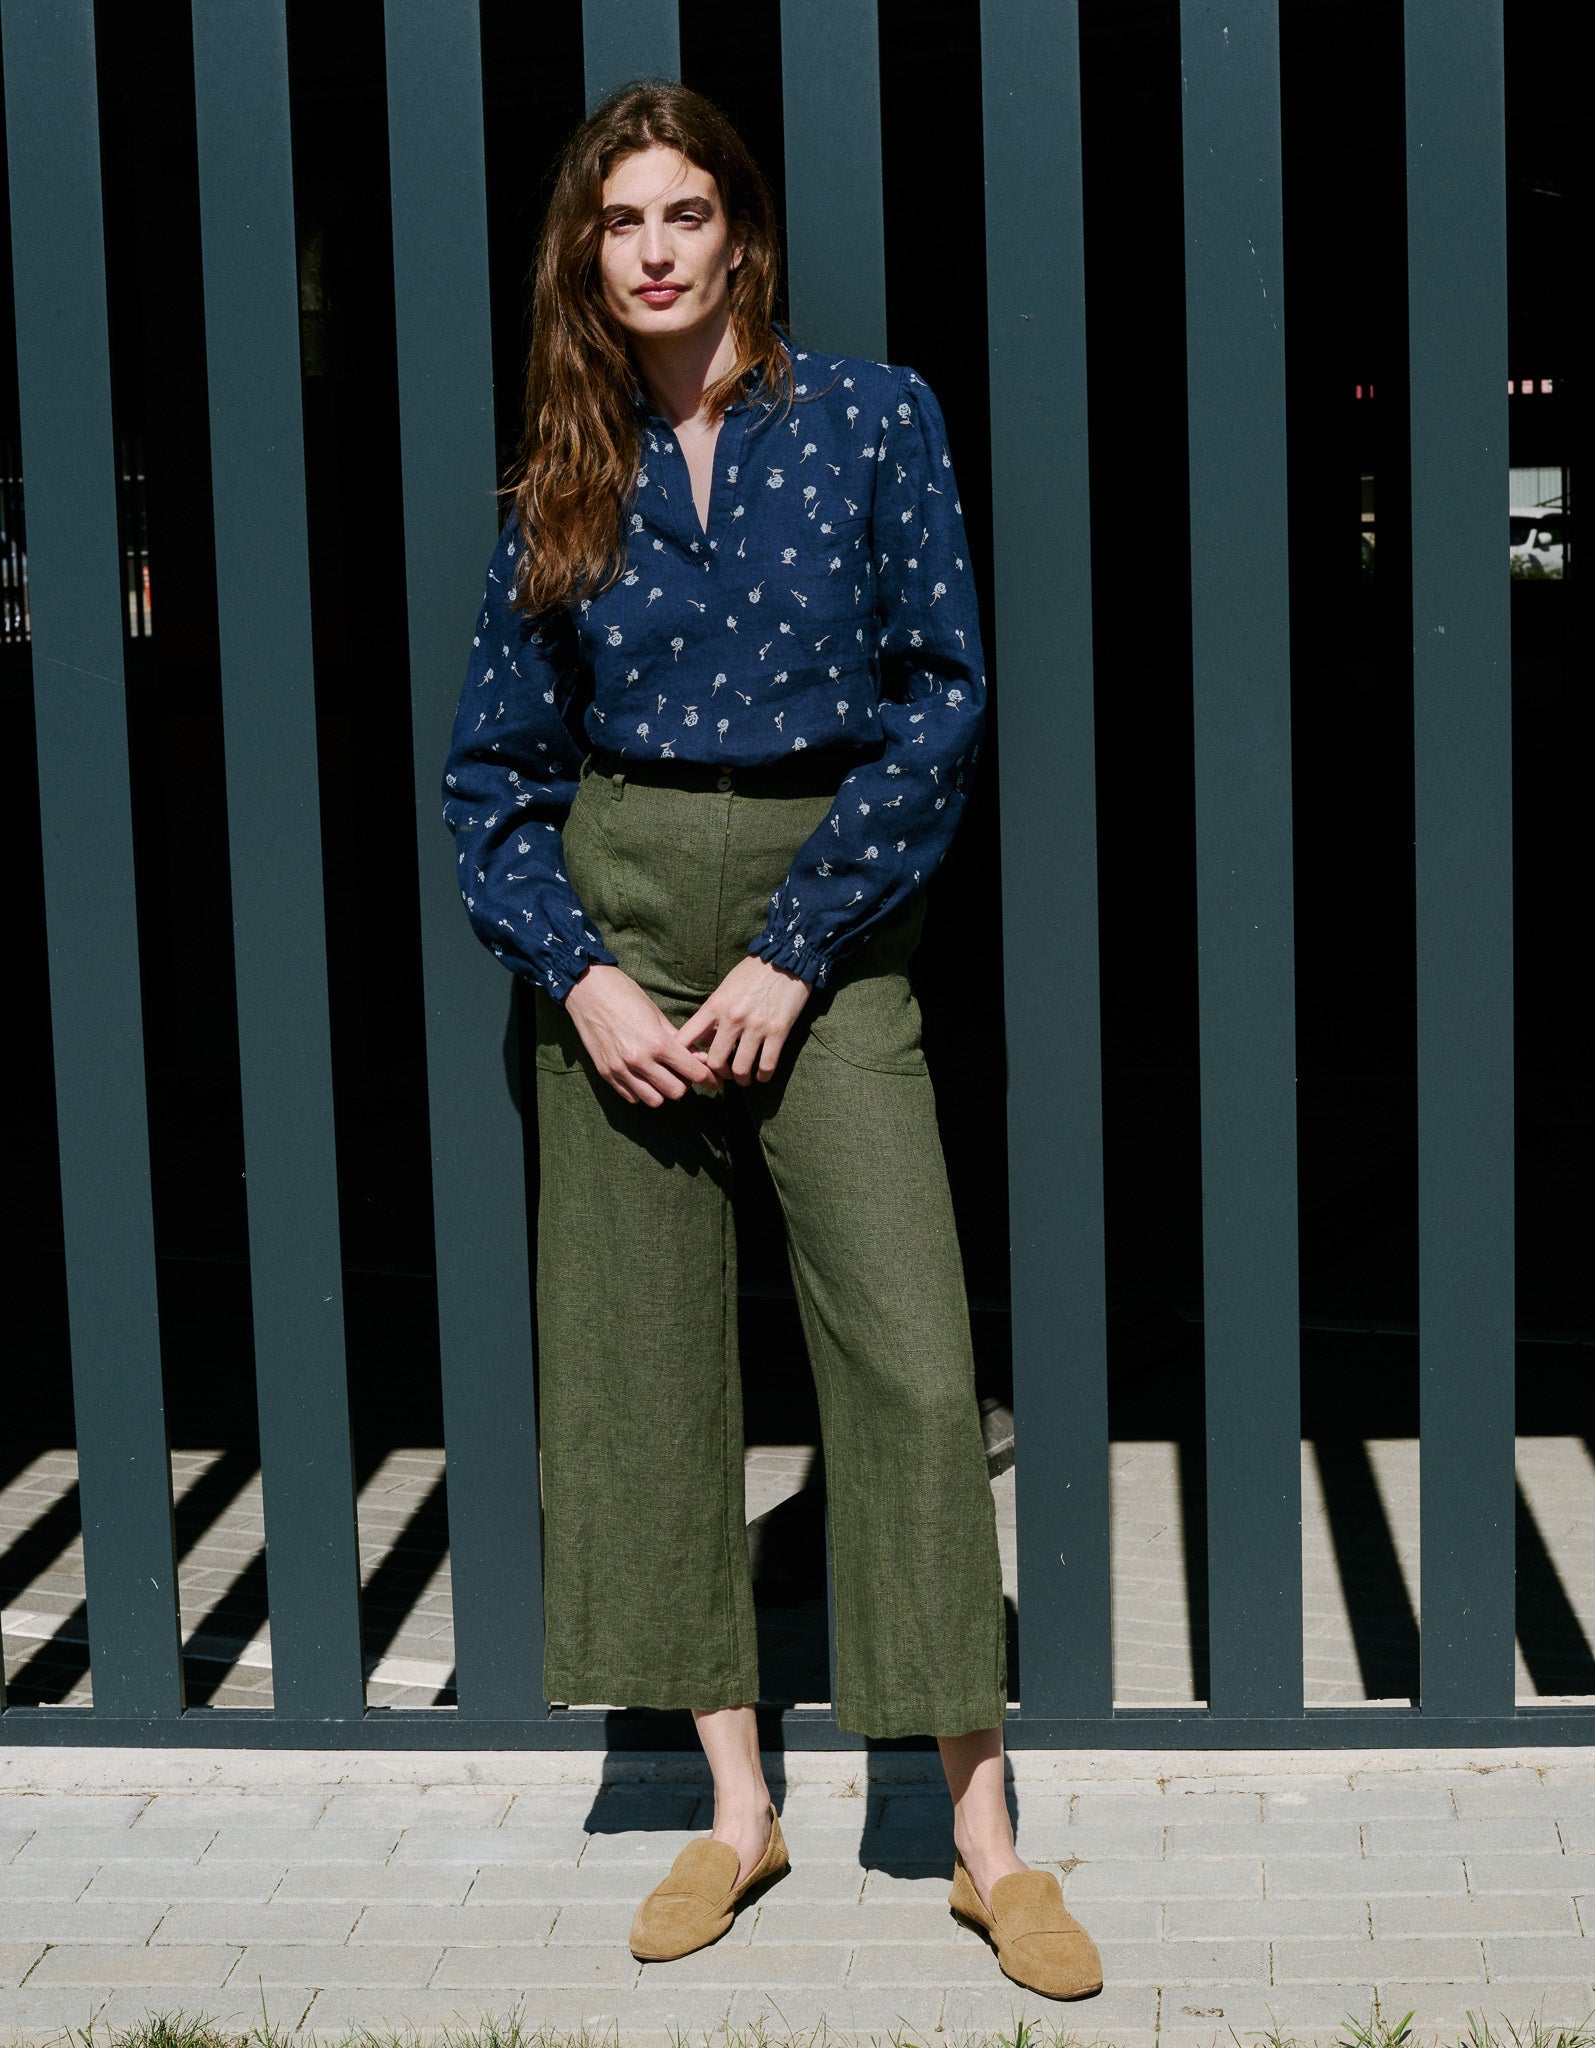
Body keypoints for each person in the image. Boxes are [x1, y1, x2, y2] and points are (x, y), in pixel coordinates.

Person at [441, 78, 1100, 2001]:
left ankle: (981, 1840)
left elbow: (940, 701)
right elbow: (491, 773)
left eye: (684, 213)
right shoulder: (558, 474)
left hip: (829, 922)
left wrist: (797, 950)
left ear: (740, 234)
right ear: (585, 258)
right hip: (620, 913)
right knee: (642, 1376)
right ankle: (737, 1811)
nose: (652, 251)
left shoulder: (874, 419)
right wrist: (580, 974)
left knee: (908, 1364)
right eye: (617, 223)